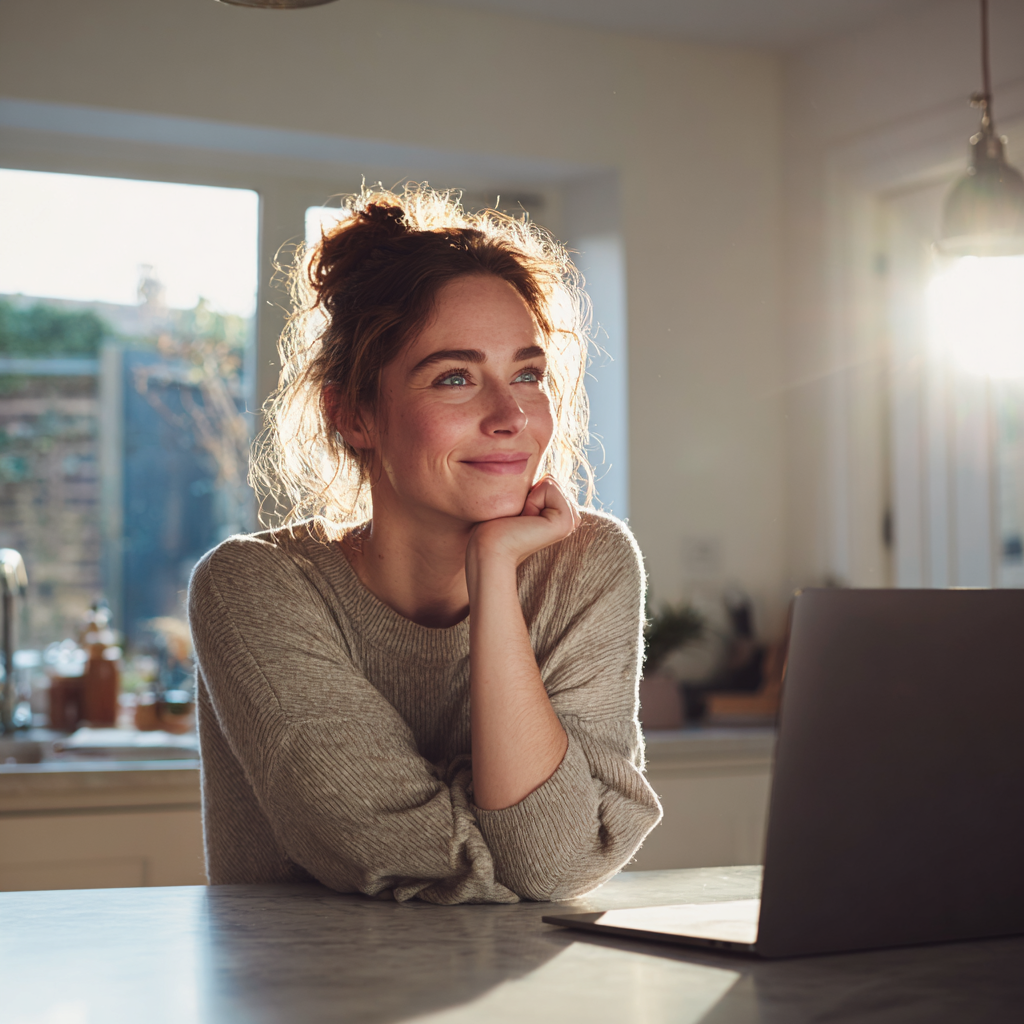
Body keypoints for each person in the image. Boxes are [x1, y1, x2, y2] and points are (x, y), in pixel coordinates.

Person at [188, 186, 661, 904]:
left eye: (526, 375)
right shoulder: (254, 585)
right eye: (455, 378)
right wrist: (506, 848)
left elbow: (558, 866)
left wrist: (495, 569)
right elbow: (389, 850)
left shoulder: (588, 563)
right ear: (353, 414)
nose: (511, 416)